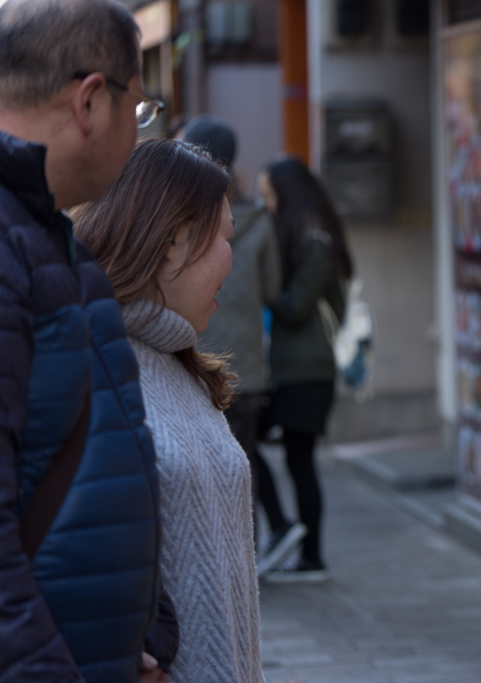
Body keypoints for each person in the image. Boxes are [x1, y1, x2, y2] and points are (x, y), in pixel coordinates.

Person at [0, 1, 175, 681]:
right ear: (91, 101)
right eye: (140, 108)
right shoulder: (15, 244)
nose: (141, 133)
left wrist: (146, 630)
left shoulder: (49, 236)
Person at [74, 138, 263, 682]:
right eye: (225, 237)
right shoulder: (83, 362)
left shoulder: (181, 369)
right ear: (174, 242)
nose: (233, 256)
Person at [180, 116, 306, 566]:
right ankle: (244, 564)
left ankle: (220, 565)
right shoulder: (257, 220)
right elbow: (272, 291)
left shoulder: (180, 214)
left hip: (192, 357)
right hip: (247, 365)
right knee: (242, 469)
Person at [256, 156, 353, 582]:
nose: (268, 204)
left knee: (297, 459)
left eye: (270, 195)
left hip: (309, 371)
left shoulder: (315, 240)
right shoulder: (305, 234)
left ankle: (306, 551)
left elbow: (295, 307)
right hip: (295, 370)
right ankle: (295, 540)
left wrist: (259, 287)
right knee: (290, 456)